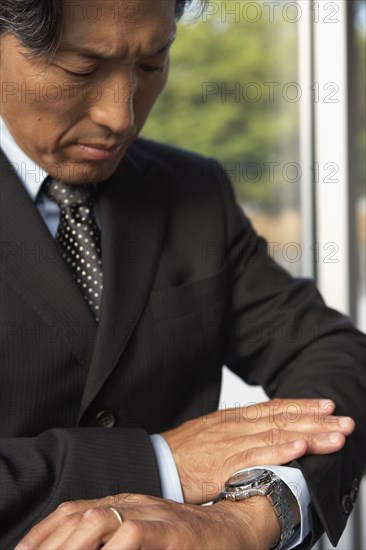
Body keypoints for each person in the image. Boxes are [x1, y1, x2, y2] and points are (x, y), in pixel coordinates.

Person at [0, 0, 365, 548]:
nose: (120, 116)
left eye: (151, 64)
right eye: (82, 69)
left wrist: (251, 513)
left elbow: (332, 351)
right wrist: (162, 461)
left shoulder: (193, 191)